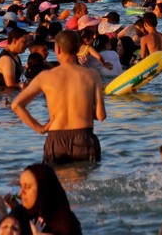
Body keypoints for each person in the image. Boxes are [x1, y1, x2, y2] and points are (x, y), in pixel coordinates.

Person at [11, 30, 106, 165]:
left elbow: (16, 105)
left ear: (58, 49)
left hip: (56, 139)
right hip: (84, 137)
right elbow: (101, 116)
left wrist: (41, 128)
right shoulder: (92, 75)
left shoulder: (45, 77)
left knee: (58, 184)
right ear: (78, 49)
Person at [12, 163, 82, 235]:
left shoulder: (65, 222)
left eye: (27, 187)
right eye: (21, 186)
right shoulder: (19, 214)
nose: (21, 192)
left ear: (42, 189)